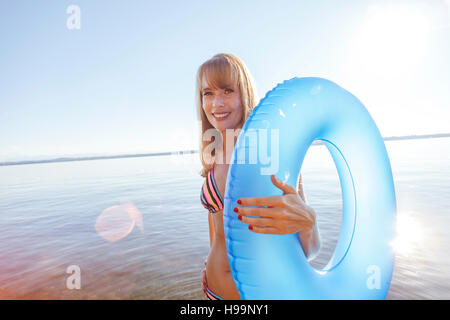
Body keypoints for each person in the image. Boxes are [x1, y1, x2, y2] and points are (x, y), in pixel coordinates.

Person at [197, 53, 320, 300]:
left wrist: (309, 221)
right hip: (212, 291)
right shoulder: (216, 152)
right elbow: (217, 225)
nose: (216, 104)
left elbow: (310, 249)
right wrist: (209, 262)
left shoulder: (272, 154)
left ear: (244, 93)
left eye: (227, 91)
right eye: (207, 93)